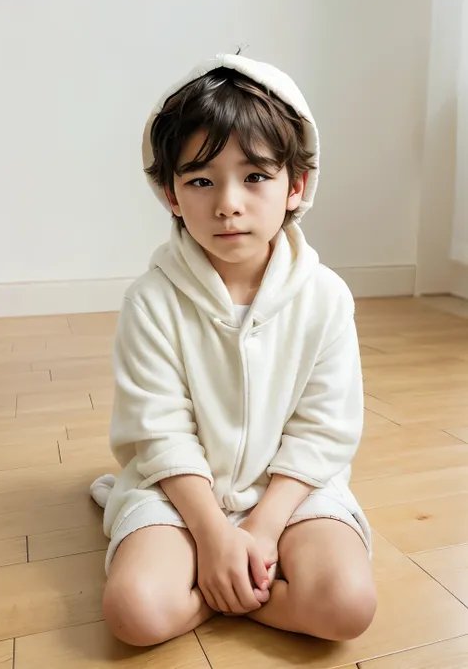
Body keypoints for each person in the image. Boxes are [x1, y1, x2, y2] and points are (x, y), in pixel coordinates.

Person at [90, 53, 377, 648]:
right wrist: (214, 536)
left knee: (348, 606)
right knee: (134, 613)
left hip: (294, 493)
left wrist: (265, 528)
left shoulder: (325, 298)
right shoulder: (151, 300)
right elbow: (159, 428)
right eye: (200, 180)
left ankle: (217, 591)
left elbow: (324, 428)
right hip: (180, 493)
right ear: (169, 192)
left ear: (295, 185)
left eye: (254, 177)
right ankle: (231, 581)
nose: (228, 203)